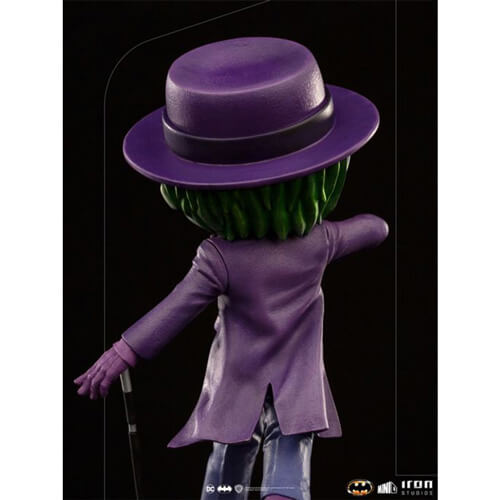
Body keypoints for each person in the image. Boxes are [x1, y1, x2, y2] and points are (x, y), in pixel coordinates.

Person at [74, 37, 389, 500]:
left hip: (235, 392)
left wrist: (125, 350)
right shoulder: (321, 242)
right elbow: (376, 228)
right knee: (289, 479)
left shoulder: (217, 258)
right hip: (298, 393)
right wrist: (340, 229)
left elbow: (175, 309)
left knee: (224, 481)